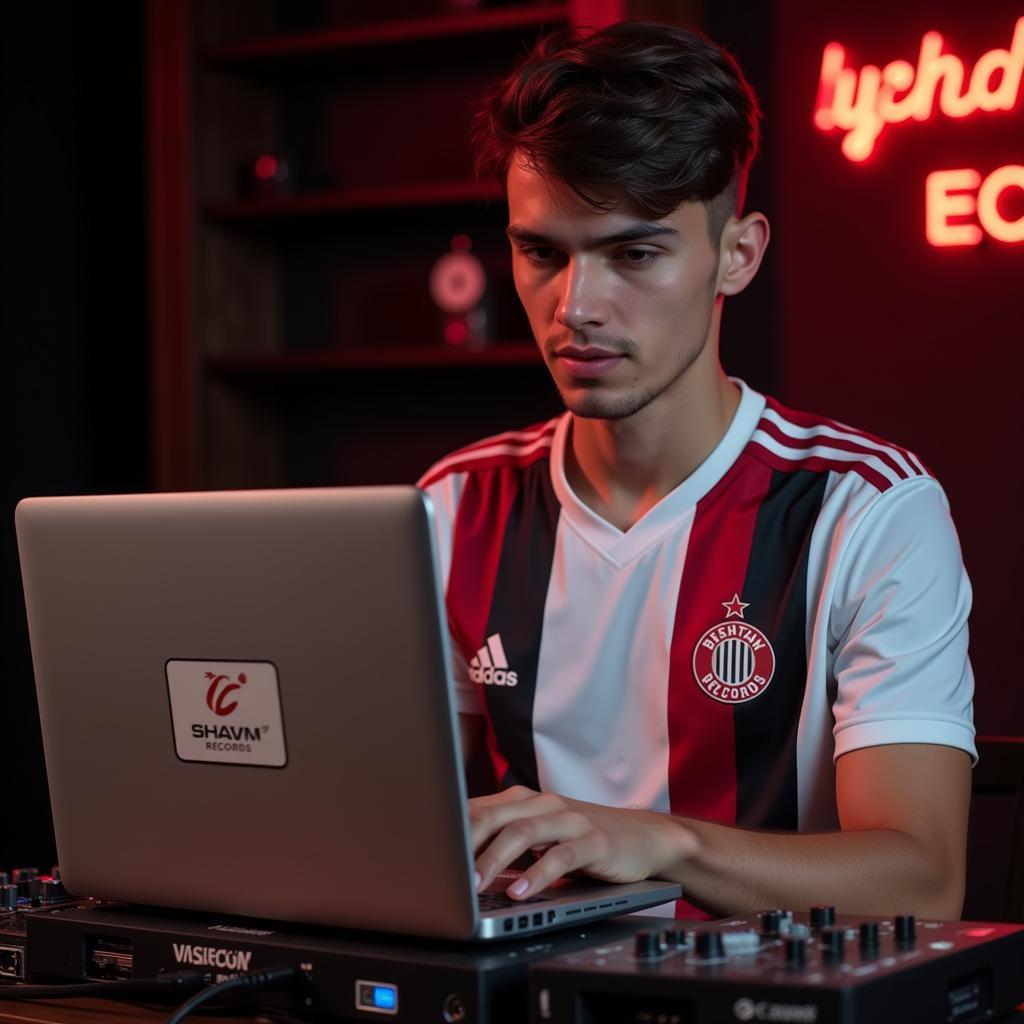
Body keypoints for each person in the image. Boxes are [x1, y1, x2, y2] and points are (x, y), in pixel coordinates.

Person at [417, 21, 975, 920]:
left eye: (634, 254)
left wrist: (653, 839)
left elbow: (923, 882)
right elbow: (403, 830)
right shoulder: (450, 506)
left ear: (738, 254)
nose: (577, 307)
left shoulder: (866, 508)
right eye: (542, 252)